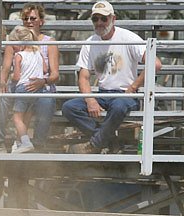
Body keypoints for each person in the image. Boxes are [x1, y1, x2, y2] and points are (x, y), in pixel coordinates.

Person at [62, 1, 162, 154]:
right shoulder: (90, 42)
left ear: (113, 19)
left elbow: (155, 64)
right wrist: (90, 100)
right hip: (103, 94)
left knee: (119, 106)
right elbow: (83, 76)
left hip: (125, 95)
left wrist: (133, 87)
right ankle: (109, 140)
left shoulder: (128, 37)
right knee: (69, 107)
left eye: (104, 19)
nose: (99, 23)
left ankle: (96, 144)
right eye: (95, 19)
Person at [0, 3, 59, 153]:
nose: (29, 21)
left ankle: (38, 143)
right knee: (1, 98)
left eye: (33, 18)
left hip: (41, 84)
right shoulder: (14, 42)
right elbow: (6, 67)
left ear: (41, 21)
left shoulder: (49, 43)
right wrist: (2, 81)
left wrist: (42, 81)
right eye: (26, 18)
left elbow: (55, 74)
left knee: (47, 101)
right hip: (20, 83)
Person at [8, 26, 47, 154]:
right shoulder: (39, 53)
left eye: (14, 44)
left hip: (23, 88)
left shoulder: (19, 55)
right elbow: (45, 70)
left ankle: (25, 142)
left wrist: (11, 79)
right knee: (26, 117)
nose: (13, 48)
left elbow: (17, 76)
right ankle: (20, 142)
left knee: (17, 118)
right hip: (36, 90)